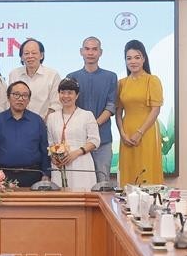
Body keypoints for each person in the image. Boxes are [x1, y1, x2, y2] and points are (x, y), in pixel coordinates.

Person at [67, 36, 118, 183]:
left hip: (103, 140)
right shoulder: (72, 77)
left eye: (94, 49)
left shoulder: (110, 77)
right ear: (81, 52)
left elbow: (111, 105)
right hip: (79, 143)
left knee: (103, 183)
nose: (90, 52)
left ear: (100, 52)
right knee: (79, 182)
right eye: (87, 49)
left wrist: (93, 125)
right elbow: (69, 107)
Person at [115, 39, 164, 186]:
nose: (133, 62)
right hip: (127, 132)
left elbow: (156, 110)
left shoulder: (152, 80)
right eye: (129, 58)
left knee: (146, 170)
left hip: (147, 132)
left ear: (143, 59)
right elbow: (118, 112)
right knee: (128, 172)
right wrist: (122, 134)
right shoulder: (122, 83)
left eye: (137, 57)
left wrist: (140, 132)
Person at [0, 81, 50, 187]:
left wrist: (46, 173)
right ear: (8, 97)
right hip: (3, 177)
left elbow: (44, 150)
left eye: (25, 95)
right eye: (16, 94)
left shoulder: (37, 121)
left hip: (33, 176)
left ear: (29, 100)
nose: (20, 99)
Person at [47, 78, 100, 190]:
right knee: (60, 200)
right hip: (59, 164)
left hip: (81, 161)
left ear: (77, 95)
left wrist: (76, 153)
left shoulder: (87, 115)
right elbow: (50, 142)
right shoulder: (52, 117)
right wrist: (54, 157)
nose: (66, 96)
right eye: (62, 92)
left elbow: (95, 141)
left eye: (70, 93)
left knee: (82, 197)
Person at [8, 38, 61, 120]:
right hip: (17, 123)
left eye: (34, 53)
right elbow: (9, 101)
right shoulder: (14, 74)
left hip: (43, 124)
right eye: (26, 53)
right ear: (21, 57)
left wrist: (44, 123)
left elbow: (56, 104)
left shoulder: (52, 75)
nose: (30, 56)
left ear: (41, 55)